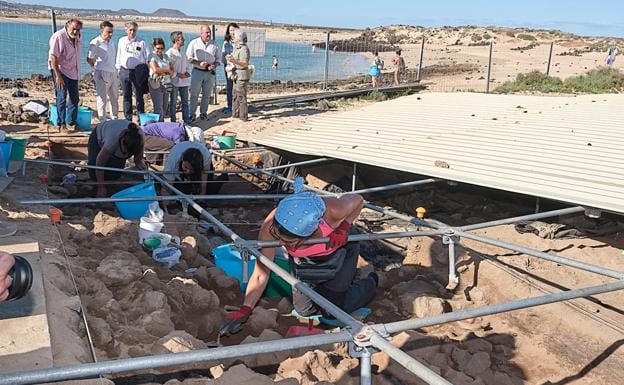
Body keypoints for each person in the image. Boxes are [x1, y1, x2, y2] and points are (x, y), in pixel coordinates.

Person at [219, 178, 378, 336]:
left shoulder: (332, 210)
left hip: (340, 250)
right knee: (304, 310)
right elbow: (262, 273)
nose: (280, 242)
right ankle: (325, 288)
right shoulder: (271, 227)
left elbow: (358, 200)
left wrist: (344, 226)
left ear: (308, 234)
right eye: (278, 237)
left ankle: (371, 282)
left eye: (288, 241)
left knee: (333, 310)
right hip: (304, 259)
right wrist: (246, 308)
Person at [87, 119, 146, 197]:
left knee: (114, 175)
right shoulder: (112, 140)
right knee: (94, 173)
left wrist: (145, 174)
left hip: (118, 144)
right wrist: (101, 187)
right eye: (125, 152)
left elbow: (138, 160)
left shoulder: (140, 138)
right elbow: (99, 163)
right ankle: (100, 183)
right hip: (98, 136)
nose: (127, 154)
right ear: (122, 140)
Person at [49, 18, 83, 131]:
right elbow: (53, 57)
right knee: (61, 97)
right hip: (60, 70)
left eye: (78, 30)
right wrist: (58, 76)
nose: (75, 32)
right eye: (73, 29)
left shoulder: (78, 36)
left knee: (75, 98)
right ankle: (60, 123)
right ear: (67, 26)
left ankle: (71, 122)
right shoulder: (58, 36)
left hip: (73, 71)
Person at [161, 140, 227, 197]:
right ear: (182, 159)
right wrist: (165, 207)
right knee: (179, 191)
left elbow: (203, 181)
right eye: (186, 167)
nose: (188, 171)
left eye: (191, 169)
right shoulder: (173, 160)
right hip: (180, 166)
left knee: (210, 190)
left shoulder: (205, 157)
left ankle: (223, 177)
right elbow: (167, 187)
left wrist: (202, 196)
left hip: (201, 166)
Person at [186, 25, 220, 121]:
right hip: (197, 72)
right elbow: (188, 58)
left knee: (207, 94)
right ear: (201, 33)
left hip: (210, 73)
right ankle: (191, 114)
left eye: (209, 32)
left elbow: (218, 59)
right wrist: (198, 63)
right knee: (194, 94)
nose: (209, 34)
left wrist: (214, 65)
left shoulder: (214, 44)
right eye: (207, 32)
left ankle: (203, 113)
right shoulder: (194, 43)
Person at [116, 21, 148, 121]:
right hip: (124, 71)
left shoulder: (141, 42)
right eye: (130, 30)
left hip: (137, 72)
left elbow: (146, 57)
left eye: (134, 30)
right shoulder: (121, 40)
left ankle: (140, 118)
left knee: (139, 96)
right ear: (126, 30)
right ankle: (128, 118)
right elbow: (119, 55)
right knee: (126, 96)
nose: (132, 32)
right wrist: (118, 69)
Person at [87, 20, 118, 122]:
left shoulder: (111, 42)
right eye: (108, 32)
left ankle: (114, 117)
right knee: (102, 97)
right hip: (102, 71)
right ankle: (102, 119)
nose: (110, 34)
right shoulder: (95, 42)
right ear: (102, 30)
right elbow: (89, 58)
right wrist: (96, 67)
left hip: (113, 71)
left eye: (111, 32)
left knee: (114, 97)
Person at [226, 29, 251, 122]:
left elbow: (245, 64)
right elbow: (234, 59)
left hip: (242, 75)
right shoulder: (237, 47)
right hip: (236, 74)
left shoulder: (244, 49)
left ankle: (243, 116)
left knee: (241, 96)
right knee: (235, 95)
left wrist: (233, 61)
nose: (233, 37)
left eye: (234, 35)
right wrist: (229, 59)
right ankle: (235, 114)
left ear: (239, 37)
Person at [167, 31, 191, 124]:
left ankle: (186, 120)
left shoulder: (183, 53)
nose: (184, 40)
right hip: (174, 82)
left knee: (185, 102)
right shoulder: (170, 53)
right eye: (182, 38)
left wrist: (186, 73)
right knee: (173, 103)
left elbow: (185, 66)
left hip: (184, 82)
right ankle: (173, 121)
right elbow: (169, 69)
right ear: (177, 40)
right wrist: (178, 74)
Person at [148, 38, 173, 122]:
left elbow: (171, 68)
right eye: (158, 48)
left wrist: (166, 70)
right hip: (155, 83)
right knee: (158, 106)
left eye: (161, 48)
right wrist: (167, 70)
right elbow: (155, 69)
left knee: (164, 106)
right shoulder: (151, 56)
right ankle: (159, 125)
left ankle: (159, 123)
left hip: (166, 83)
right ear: (154, 47)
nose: (160, 50)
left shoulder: (166, 56)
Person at [221, 22, 239, 115]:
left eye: (234, 30)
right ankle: (229, 105)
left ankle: (237, 105)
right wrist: (228, 61)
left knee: (238, 86)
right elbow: (223, 56)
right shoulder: (226, 43)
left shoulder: (240, 41)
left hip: (238, 66)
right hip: (228, 67)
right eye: (231, 30)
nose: (232, 32)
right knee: (229, 86)